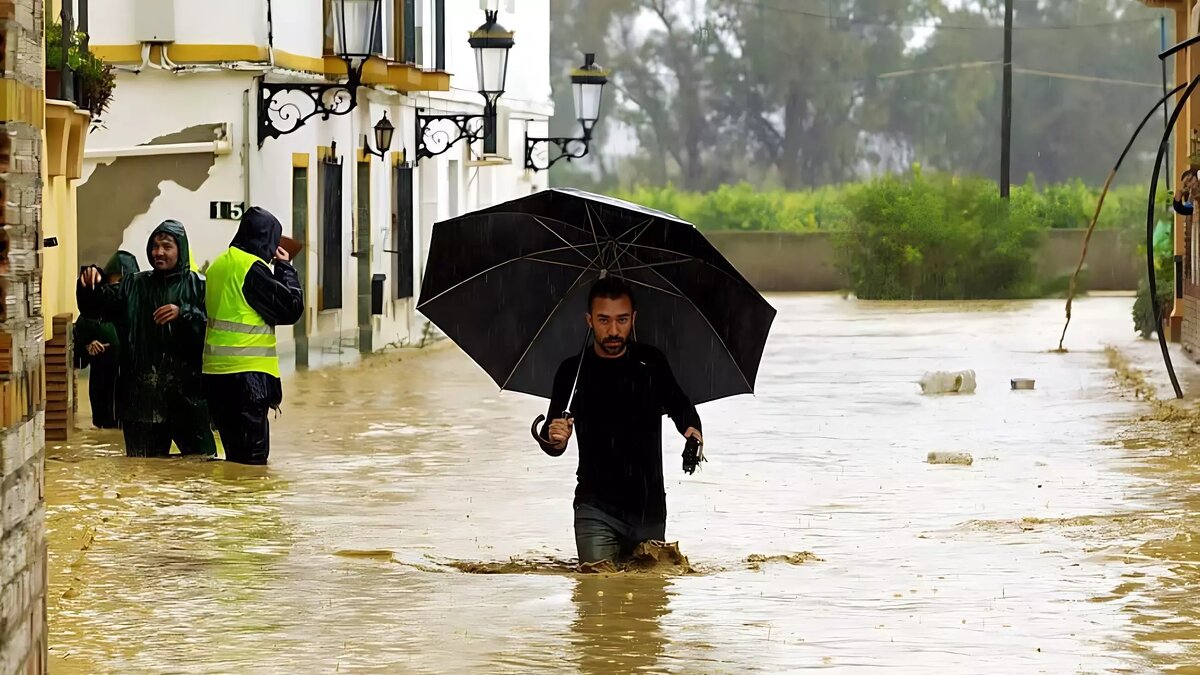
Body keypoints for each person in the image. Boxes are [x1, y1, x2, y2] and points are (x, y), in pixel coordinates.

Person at [535, 276, 703, 565]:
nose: (613, 330)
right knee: (597, 597)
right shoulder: (572, 372)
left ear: (633, 319)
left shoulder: (651, 363)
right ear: (589, 320)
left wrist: (693, 435)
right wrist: (554, 438)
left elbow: (681, 408)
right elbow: (553, 444)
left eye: (622, 320)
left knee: (647, 602)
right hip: (594, 506)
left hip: (648, 510)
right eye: (603, 320)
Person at [78, 221, 217, 458]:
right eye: (154, 246)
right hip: (141, 399)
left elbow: (212, 327)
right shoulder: (133, 285)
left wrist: (183, 313)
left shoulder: (199, 286)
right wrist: (91, 280)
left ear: (180, 250)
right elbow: (95, 307)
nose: (159, 252)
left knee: (202, 465)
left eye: (166, 246)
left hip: (188, 398)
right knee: (142, 472)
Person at [202, 207, 303, 465]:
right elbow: (290, 309)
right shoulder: (251, 269)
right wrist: (285, 269)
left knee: (233, 458)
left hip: (215, 377)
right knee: (253, 464)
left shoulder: (218, 265)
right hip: (247, 379)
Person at [73, 250, 138, 429]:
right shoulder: (91, 316)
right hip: (103, 396)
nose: (120, 287)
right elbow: (76, 359)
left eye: (125, 281)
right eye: (116, 281)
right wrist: (87, 347)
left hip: (132, 398)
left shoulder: (142, 312)